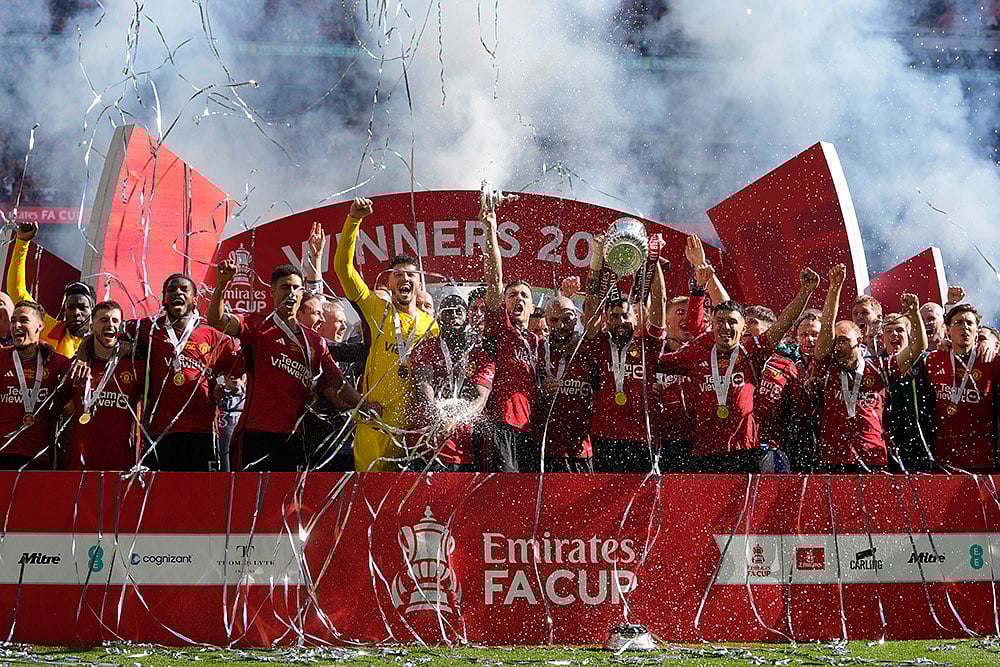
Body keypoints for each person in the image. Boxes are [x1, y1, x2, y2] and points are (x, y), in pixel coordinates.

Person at [209, 261, 375, 471]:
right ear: (272, 293)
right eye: (285, 287)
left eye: (296, 288)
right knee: (249, 500)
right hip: (256, 433)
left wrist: (365, 406)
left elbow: (338, 383)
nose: (291, 293)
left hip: (294, 437)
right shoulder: (258, 326)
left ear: (301, 294)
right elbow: (217, 321)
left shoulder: (315, 341)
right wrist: (222, 286)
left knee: (285, 501)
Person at [657, 266, 820, 473]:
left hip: (744, 450)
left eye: (732, 322)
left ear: (743, 329)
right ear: (712, 325)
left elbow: (782, 324)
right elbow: (654, 362)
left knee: (744, 505)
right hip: (704, 451)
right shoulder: (697, 353)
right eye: (720, 321)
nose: (725, 327)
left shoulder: (753, 351)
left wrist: (804, 293)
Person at [72, 273, 238, 471]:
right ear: (164, 299)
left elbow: (236, 374)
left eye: (184, 289)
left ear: (195, 299)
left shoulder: (213, 336)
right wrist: (82, 357)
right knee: (160, 499)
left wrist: (227, 385)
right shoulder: (146, 329)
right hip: (160, 433)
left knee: (199, 497)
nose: (177, 292)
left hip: (202, 431)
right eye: (171, 290)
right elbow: (104, 333)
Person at [334, 197, 438, 471]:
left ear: (418, 282)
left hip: (411, 429)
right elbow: (343, 270)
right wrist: (353, 220)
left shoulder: (431, 326)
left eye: (411, 275)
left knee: (400, 504)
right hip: (374, 418)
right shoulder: (376, 308)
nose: (405, 279)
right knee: (368, 493)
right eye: (399, 275)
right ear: (389, 281)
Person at [810, 265, 926, 473]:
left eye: (843, 341)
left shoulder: (879, 367)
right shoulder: (827, 366)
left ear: (860, 341)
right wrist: (835, 288)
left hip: (872, 456)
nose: (837, 346)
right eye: (836, 341)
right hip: (832, 457)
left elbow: (918, 347)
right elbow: (827, 325)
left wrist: (915, 314)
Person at [582, 234, 666, 473]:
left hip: (642, 438)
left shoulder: (648, 345)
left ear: (636, 318)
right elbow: (590, 307)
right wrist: (596, 263)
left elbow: (660, 302)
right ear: (606, 319)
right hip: (603, 437)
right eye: (614, 316)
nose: (620, 321)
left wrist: (654, 261)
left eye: (625, 316)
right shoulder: (599, 344)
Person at [410, 292, 494, 471]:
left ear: (466, 317)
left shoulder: (480, 354)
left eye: (458, 312)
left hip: (463, 447)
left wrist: (455, 420)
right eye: (447, 312)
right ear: (438, 317)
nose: (453, 316)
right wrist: (439, 418)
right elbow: (425, 386)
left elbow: (479, 400)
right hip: (428, 441)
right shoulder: (425, 348)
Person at [482, 208, 539, 472]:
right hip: (501, 424)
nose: (519, 299)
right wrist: (491, 231)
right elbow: (494, 280)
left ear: (532, 307)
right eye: (513, 295)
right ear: (504, 303)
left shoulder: (539, 342)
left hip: (532, 430)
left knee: (526, 498)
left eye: (524, 296)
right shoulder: (500, 329)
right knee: (503, 493)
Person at [914, 303, 1000, 472]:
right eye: (958, 322)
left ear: (977, 331)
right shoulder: (932, 360)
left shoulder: (993, 362)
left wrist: (994, 346)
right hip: (943, 459)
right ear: (947, 329)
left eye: (969, 323)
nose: (964, 327)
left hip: (984, 460)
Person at [60, 301, 144, 470]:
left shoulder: (136, 366)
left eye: (115, 321)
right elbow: (55, 408)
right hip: (79, 465)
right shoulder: (75, 367)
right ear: (91, 326)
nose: (110, 325)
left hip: (121, 466)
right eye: (103, 320)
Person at [0, 301, 70, 469]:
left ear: (40, 326)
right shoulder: (1, 358)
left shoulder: (58, 363)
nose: (16, 325)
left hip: (38, 458)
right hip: (2, 453)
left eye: (23, 320)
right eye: (13, 320)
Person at [8, 222, 94, 356]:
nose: (76, 312)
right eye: (70, 307)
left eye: (83, 307)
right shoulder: (51, 329)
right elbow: (17, 292)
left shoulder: (103, 338)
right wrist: (22, 243)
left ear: (93, 310)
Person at [534, 296, 596, 472]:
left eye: (566, 319)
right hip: (546, 451)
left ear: (576, 319)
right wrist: (540, 391)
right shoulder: (538, 350)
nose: (560, 326)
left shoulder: (587, 351)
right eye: (553, 320)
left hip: (581, 451)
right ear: (546, 320)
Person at [876, 309, 935, 472]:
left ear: (910, 336)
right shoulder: (875, 365)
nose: (894, 334)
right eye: (888, 331)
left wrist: (915, 313)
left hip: (921, 437)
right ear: (882, 338)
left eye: (900, 330)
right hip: (887, 440)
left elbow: (921, 346)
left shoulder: (924, 361)